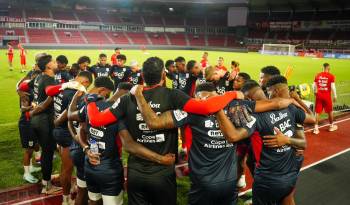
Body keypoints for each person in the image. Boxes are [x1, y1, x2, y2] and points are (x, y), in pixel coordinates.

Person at [85, 57, 243, 205]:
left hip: (136, 172)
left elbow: (96, 120)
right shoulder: (173, 95)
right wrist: (234, 93)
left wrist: (90, 101)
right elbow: (207, 107)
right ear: (163, 74)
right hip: (163, 171)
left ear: (142, 76)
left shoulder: (127, 99)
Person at [132, 81, 299, 205]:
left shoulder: (191, 110)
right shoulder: (237, 105)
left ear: (197, 97)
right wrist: (292, 101)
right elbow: (275, 103)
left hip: (203, 183)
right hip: (229, 181)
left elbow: (153, 122)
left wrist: (138, 95)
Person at [217, 75, 315, 205]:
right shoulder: (290, 108)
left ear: (249, 99)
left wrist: (218, 110)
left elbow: (233, 136)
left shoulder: (256, 117)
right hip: (290, 173)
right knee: (287, 198)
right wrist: (295, 100)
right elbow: (311, 121)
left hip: (268, 179)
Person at [52, 71, 93, 205]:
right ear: (85, 82)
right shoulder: (75, 93)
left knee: (66, 165)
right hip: (66, 133)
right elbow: (66, 115)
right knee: (67, 168)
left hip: (59, 132)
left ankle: (73, 186)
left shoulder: (63, 88)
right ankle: (65, 199)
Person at [28, 54, 60, 194]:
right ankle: (47, 186)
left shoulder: (38, 77)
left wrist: (32, 105)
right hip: (44, 120)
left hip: (36, 120)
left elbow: (24, 86)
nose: (56, 63)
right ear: (48, 66)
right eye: (53, 62)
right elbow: (50, 100)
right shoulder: (49, 79)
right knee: (47, 153)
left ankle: (46, 179)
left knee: (46, 151)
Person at [18, 70, 42, 183]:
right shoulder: (26, 91)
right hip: (26, 123)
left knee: (34, 145)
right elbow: (23, 108)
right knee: (28, 149)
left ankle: (31, 167)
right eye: (35, 78)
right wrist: (34, 106)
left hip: (33, 122)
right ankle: (26, 174)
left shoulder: (35, 90)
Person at [313, 63, 337, 134]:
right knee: (330, 111)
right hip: (327, 96)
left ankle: (316, 128)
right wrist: (335, 96)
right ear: (329, 68)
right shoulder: (331, 76)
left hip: (319, 96)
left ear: (323, 68)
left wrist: (315, 92)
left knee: (317, 112)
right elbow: (333, 87)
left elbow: (314, 85)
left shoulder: (317, 75)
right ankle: (331, 126)